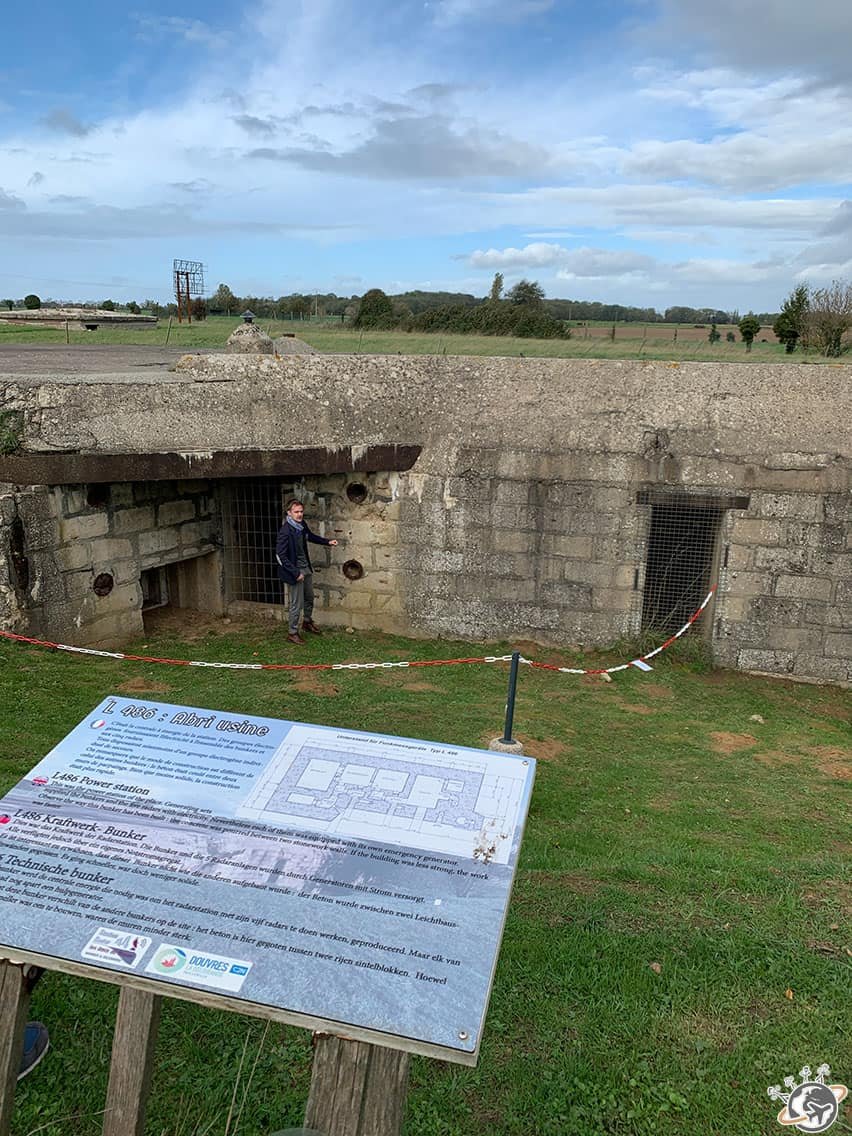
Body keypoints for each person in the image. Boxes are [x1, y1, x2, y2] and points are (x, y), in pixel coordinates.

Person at [275, 499, 338, 645]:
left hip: (306, 568)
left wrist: (327, 542)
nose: (299, 514)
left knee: (309, 597)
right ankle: (292, 633)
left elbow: (310, 536)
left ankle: (307, 622)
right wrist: (295, 573)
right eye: (296, 512)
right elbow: (280, 556)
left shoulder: (301, 525)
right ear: (289, 513)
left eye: (301, 511)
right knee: (296, 604)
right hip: (295, 572)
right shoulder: (285, 531)